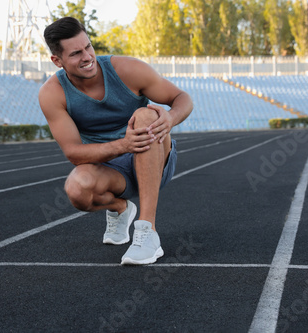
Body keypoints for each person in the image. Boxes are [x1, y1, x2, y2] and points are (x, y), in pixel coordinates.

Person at [38, 17, 193, 265]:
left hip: (154, 156)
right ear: (57, 61)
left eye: (88, 47)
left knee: (145, 116)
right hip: (112, 168)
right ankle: (121, 208)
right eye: (76, 53)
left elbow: (181, 97)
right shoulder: (52, 93)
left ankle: (147, 231)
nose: (87, 56)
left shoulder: (127, 70)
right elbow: (74, 153)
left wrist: (171, 118)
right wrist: (123, 145)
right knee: (77, 189)